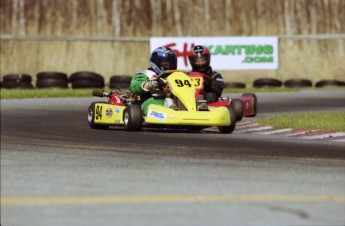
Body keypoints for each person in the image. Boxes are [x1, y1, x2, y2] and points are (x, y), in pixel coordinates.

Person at [130, 46, 177, 115]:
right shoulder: (147, 74)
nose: (168, 67)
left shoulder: (176, 76)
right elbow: (134, 86)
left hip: (174, 101)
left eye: (170, 64)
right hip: (152, 100)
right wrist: (149, 85)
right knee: (159, 105)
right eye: (165, 64)